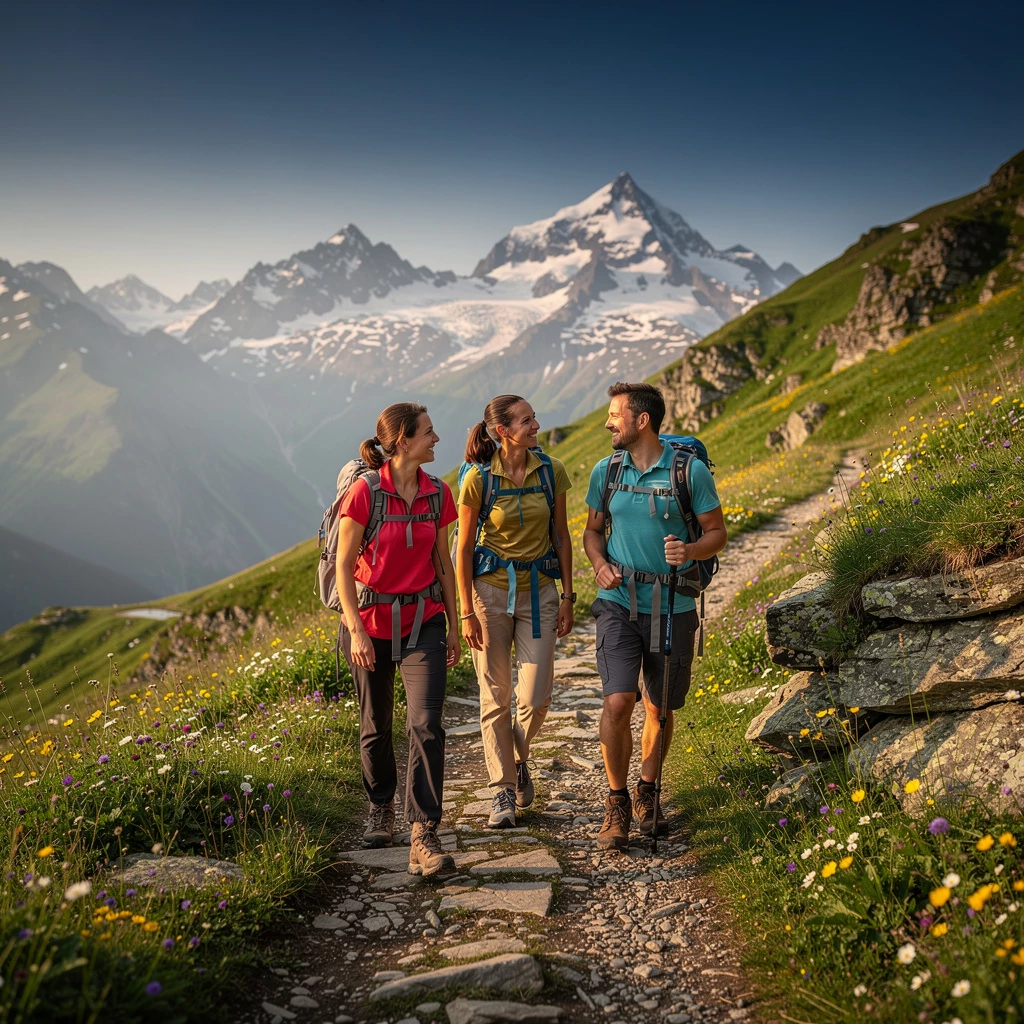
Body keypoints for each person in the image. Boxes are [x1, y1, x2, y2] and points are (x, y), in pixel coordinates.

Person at [583, 382, 727, 851]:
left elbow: (717, 533)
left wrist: (689, 550)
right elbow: (592, 532)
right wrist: (601, 565)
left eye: (614, 415)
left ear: (641, 420)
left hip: (674, 605)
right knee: (618, 701)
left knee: (659, 708)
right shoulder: (605, 472)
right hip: (618, 603)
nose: (608, 422)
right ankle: (617, 802)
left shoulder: (691, 473)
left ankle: (649, 793)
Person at [335, 402, 460, 875]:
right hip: (368, 621)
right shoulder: (366, 493)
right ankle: (381, 804)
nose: (437, 439)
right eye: (429, 432)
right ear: (403, 440)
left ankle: (423, 832)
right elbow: (344, 568)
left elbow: (444, 564)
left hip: (422, 620)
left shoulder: (437, 493)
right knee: (376, 724)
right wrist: (355, 630)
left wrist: (451, 622)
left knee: (426, 723)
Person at [456, 395, 575, 828]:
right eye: (527, 420)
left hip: (540, 593)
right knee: (495, 695)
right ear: (503, 431)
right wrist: (465, 610)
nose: (537, 425)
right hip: (489, 595)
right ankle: (502, 790)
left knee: (535, 697)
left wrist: (568, 595)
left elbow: (561, 535)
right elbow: (464, 548)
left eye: (535, 417)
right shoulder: (477, 479)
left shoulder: (552, 471)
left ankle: (518, 756)